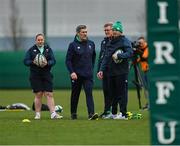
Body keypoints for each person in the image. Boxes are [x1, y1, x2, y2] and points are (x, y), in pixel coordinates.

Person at [97, 21, 133, 120]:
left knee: (121, 93)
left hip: (121, 72)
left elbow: (130, 53)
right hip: (111, 72)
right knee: (112, 94)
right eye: (114, 30)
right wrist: (101, 70)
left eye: (116, 30)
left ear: (120, 31)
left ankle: (123, 114)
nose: (115, 32)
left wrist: (119, 55)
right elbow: (106, 57)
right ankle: (113, 113)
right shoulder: (110, 42)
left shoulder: (124, 40)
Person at [23, 33, 62, 120]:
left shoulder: (48, 49)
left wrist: (47, 63)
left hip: (46, 73)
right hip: (35, 74)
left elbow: (53, 60)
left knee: (49, 94)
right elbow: (25, 61)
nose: (40, 41)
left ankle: (53, 113)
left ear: (44, 40)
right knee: (39, 94)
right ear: (36, 41)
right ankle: (37, 114)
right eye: (38, 40)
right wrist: (33, 62)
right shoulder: (31, 50)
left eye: (41, 40)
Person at [65, 25, 98, 120]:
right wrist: (72, 72)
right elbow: (68, 60)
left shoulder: (91, 44)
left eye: (86, 32)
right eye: (83, 32)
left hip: (88, 75)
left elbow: (93, 57)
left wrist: (90, 68)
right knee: (75, 94)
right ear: (78, 33)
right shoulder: (72, 45)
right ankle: (73, 113)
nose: (85, 34)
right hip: (76, 75)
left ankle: (91, 114)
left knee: (89, 93)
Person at [97, 22, 113, 118]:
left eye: (108, 30)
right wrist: (99, 70)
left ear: (113, 30)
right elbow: (101, 57)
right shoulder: (104, 42)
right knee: (106, 91)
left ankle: (113, 111)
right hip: (105, 70)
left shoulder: (116, 41)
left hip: (113, 70)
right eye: (105, 30)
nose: (106, 32)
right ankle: (106, 111)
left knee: (113, 92)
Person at [135, 36, 149, 110]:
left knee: (150, 88)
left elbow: (144, 57)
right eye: (139, 43)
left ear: (144, 42)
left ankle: (151, 104)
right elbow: (138, 60)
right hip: (145, 71)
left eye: (141, 43)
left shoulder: (147, 48)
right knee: (147, 88)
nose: (140, 44)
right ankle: (149, 103)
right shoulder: (142, 49)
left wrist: (137, 51)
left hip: (149, 71)